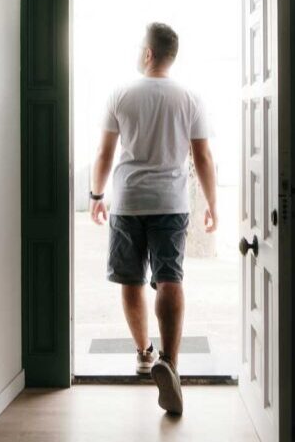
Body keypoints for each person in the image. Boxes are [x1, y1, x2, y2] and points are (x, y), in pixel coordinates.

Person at [89, 22, 218, 415]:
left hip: (128, 202)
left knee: (130, 280)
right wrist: (213, 204)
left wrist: (96, 194)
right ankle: (171, 362)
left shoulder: (120, 93)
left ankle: (144, 353)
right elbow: (203, 157)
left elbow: (105, 153)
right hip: (171, 201)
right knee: (169, 278)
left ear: (148, 53)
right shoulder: (190, 97)